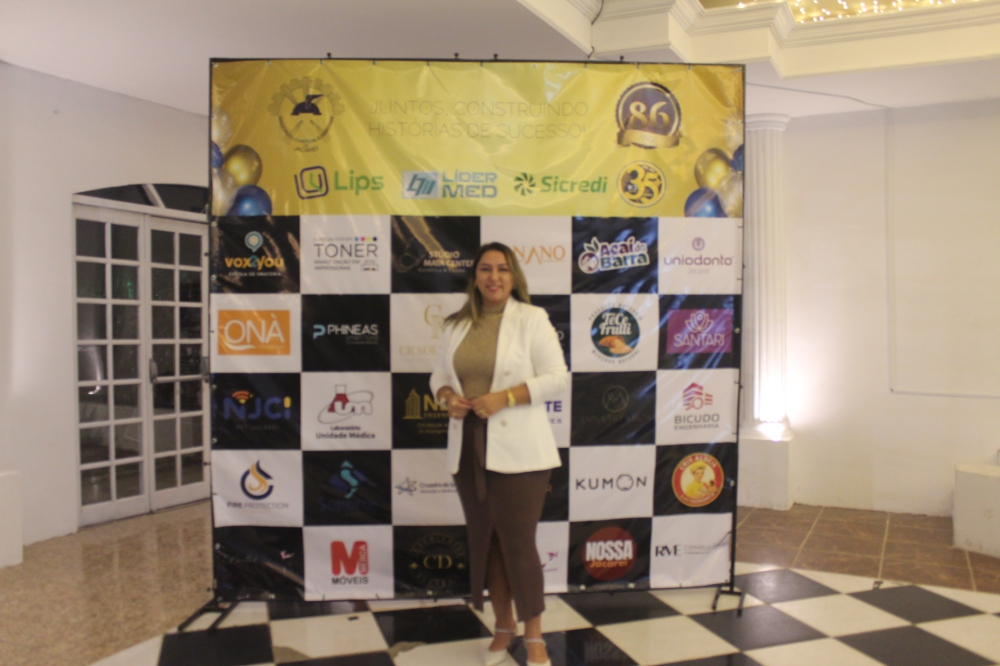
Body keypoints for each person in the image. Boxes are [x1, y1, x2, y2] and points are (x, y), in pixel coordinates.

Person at [430, 242, 567, 666]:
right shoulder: (456, 324)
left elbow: (557, 378)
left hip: (521, 450)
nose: (494, 277)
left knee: (518, 544)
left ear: (514, 277)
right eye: (486, 269)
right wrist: (447, 396)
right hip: (468, 446)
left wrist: (504, 397)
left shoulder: (532, 318)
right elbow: (439, 375)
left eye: (503, 270)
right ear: (474, 277)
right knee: (485, 540)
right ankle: (503, 626)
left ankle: (534, 634)